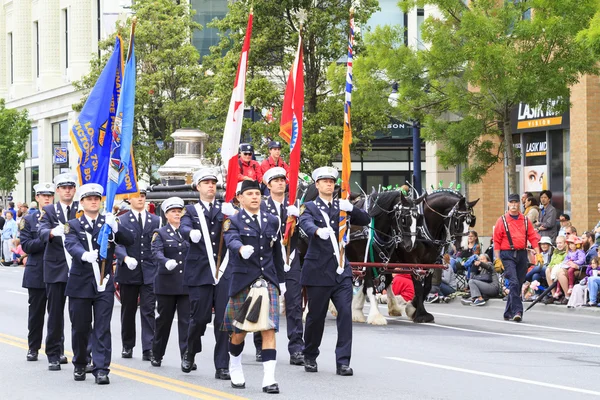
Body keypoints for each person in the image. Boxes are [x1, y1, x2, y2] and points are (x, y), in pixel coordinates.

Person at [298, 167, 370, 376]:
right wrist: (317, 231)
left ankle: (343, 361)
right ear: (317, 185)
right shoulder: (309, 207)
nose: (329, 184)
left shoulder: (342, 206)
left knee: (346, 314)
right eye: (325, 181)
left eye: (332, 182)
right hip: (318, 270)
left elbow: (365, 219)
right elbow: (305, 223)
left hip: (340, 270)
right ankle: (310, 355)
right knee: (316, 317)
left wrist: (353, 209)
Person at [64, 183, 134, 384]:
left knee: (102, 327)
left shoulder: (109, 221)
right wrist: (84, 255)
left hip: (103, 283)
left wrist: (117, 227)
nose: (94, 201)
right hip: (80, 283)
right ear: (82, 202)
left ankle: (101, 368)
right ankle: (80, 363)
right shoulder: (74, 225)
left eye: (97, 198)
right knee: (80, 327)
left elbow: (129, 240)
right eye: (89, 199)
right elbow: (71, 244)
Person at [222, 180, 285, 393]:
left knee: (268, 328)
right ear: (240, 198)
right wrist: (240, 248)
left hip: (267, 280)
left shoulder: (272, 220)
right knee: (239, 331)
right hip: (243, 281)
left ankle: (269, 379)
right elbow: (230, 240)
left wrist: (282, 280)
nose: (255, 197)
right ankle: (235, 364)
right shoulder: (233, 221)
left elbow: (276, 251)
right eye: (249, 193)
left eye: (257, 193)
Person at [179, 169, 235, 379]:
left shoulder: (226, 209)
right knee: (199, 318)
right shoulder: (191, 211)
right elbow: (183, 226)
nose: (211, 186)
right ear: (198, 187)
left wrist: (236, 214)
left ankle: (222, 365)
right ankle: (190, 351)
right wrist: (189, 232)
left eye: (213, 183)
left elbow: (235, 230)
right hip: (200, 272)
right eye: (206, 183)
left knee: (223, 321)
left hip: (222, 272)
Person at [255, 167, 305, 366]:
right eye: (275, 181)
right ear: (268, 185)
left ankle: (296, 349)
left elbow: (305, 232)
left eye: (283, 180)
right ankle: (260, 345)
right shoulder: (262, 206)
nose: (280, 183)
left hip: (290, 259)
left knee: (294, 305)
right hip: (267, 261)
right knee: (264, 304)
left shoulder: (295, 207)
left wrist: (297, 219)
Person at [114, 185, 161, 361]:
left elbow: (157, 243)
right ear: (129, 199)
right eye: (136, 196)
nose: (140, 198)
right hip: (129, 270)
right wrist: (125, 258)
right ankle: (128, 345)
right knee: (128, 309)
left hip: (149, 270)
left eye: (143, 196)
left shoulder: (155, 220)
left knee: (148, 309)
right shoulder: (121, 220)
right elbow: (117, 244)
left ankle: (148, 347)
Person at [38, 172, 78, 371]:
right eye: (64, 187)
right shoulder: (49, 210)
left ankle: (82, 356)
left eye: (70, 187)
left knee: (80, 315)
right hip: (56, 268)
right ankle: (54, 353)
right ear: (58, 190)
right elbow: (42, 230)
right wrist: (53, 232)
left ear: (75, 189)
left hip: (79, 269)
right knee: (55, 314)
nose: (67, 190)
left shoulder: (80, 209)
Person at [150, 197, 190, 368]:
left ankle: (187, 357)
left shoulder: (189, 231)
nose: (177, 214)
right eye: (173, 211)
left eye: (179, 211)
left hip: (186, 284)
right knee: (163, 321)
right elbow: (155, 251)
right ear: (166, 215)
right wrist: (165, 261)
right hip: (166, 284)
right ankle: (157, 353)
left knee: (187, 322)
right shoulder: (160, 233)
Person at [20, 182, 55, 362]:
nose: (47, 198)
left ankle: (56, 350)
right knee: (36, 314)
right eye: (43, 195)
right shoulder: (29, 220)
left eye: (49, 195)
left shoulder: (59, 218)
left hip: (57, 271)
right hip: (37, 272)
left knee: (56, 315)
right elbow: (26, 245)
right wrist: (46, 237)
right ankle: (33, 347)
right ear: (37, 198)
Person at [493, 193, 540, 322]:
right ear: (508, 204)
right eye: (511, 202)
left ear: (519, 203)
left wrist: (538, 253)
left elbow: (533, 237)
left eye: (516, 202)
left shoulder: (525, 220)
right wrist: (497, 259)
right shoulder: (501, 220)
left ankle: (508, 312)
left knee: (518, 284)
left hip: (522, 254)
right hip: (507, 254)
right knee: (513, 282)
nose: (513, 205)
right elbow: (496, 241)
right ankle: (517, 311)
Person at [543, 235, 568, 304]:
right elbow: (551, 263)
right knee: (547, 270)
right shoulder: (555, 252)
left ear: (565, 243)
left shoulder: (566, 252)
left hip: (563, 269)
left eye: (560, 243)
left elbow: (564, 263)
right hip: (555, 268)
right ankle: (554, 294)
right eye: (557, 243)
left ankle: (566, 295)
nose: (558, 245)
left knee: (557, 271)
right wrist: (550, 267)